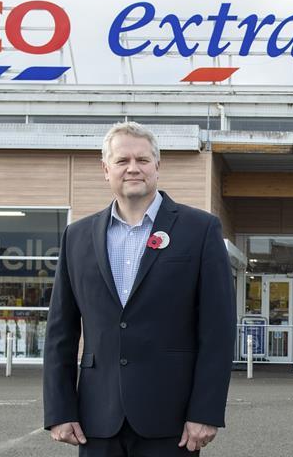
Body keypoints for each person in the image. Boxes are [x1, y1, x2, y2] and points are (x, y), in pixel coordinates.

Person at [44, 122, 236, 456]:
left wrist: (205, 412)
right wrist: (60, 411)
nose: (133, 168)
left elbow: (217, 331)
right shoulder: (76, 237)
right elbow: (60, 331)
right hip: (96, 419)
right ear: (106, 170)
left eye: (143, 160)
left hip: (172, 420)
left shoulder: (200, 230)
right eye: (122, 161)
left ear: (157, 167)